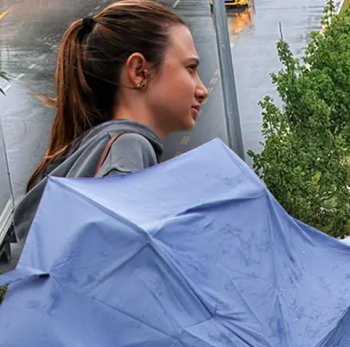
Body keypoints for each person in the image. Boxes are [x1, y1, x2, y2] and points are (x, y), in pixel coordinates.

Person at [12, 0, 208, 243]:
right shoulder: (128, 153)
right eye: (190, 68)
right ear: (139, 71)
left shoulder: (91, 150)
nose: (202, 90)